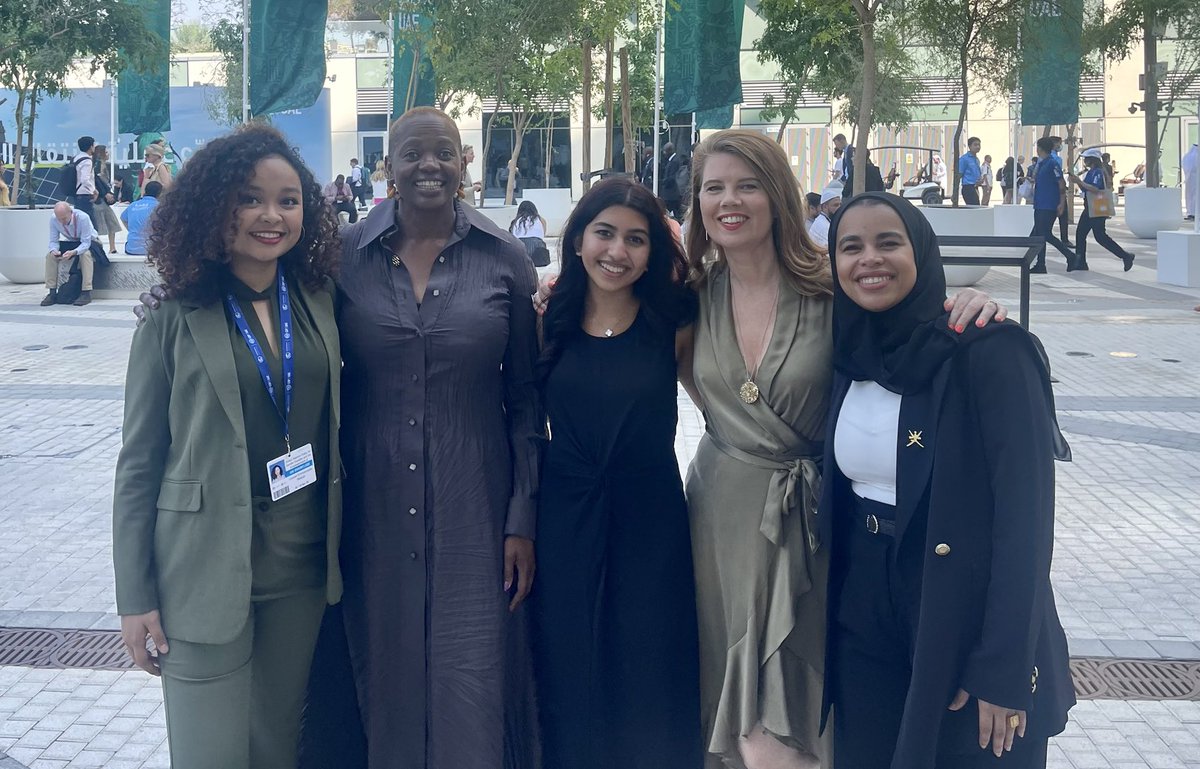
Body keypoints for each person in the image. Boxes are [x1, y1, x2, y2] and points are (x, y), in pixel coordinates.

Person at [680, 130, 1005, 769]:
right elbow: (606, 317)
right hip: (718, 521)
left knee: (801, 721)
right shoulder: (688, 295)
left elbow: (910, 329)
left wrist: (967, 304)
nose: (729, 201)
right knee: (730, 717)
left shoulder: (833, 291)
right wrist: (548, 291)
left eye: (747, 185)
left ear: (776, 194)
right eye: (713, 188)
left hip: (818, 526)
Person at [300, 106, 541, 769]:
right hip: (371, 504)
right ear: (389, 166)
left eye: (444, 152)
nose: (428, 165)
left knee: (474, 673)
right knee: (380, 667)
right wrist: (174, 294)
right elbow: (273, 304)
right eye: (412, 153)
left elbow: (524, 399)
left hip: (477, 503)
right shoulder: (343, 256)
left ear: (465, 162)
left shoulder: (505, 260)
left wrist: (520, 518)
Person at [113, 123, 343, 769]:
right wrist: (135, 596)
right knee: (209, 751)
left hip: (299, 565)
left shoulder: (322, 298)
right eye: (250, 197)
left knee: (274, 744)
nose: (271, 215)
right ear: (215, 206)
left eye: (289, 199)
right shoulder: (170, 316)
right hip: (200, 570)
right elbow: (137, 466)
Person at [821, 191, 1074, 769]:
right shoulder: (849, 351)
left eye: (889, 243)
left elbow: (1026, 523)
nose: (869, 260)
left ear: (923, 251)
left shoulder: (987, 350)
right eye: (850, 247)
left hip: (959, 605)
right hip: (862, 606)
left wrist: (1003, 670)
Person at [532, 177, 703, 769]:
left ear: (654, 251)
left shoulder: (673, 322)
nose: (617, 251)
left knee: (649, 664)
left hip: (651, 517)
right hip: (564, 516)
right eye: (604, 233)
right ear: (578, 238)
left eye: (636, 239)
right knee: (569, 663)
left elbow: (727, 404)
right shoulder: (547, 317)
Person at [1068, 149, 1135, 272]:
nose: (1085, 161)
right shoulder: (1091, 172)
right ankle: (1081, 261)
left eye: (1087, 159)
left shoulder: (1098, 172)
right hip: (1090, 207)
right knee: (1080, 233)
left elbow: (1095, 189)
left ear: (1092, 160)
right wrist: (1078, 182)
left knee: (1100, 236)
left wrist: (1079, 182)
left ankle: (1125, 256)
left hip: (1096, 208)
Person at [1027, 137, 1076, 273]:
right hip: (1040, 203)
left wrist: (1061, 202)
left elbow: (1061, 183)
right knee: (1039, 235)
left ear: (1040, 148)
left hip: (1048, 204)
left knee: (1044, 234)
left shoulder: (1052, 163)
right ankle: (1041, 264)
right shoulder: (1042, 164)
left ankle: (1069, 255)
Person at [41, 201, 97, 307]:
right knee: (50, 256)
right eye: (59, 219)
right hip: (71, 241)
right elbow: (53, 240)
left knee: (85, 255)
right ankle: (52, 292)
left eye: (64, 219)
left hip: (91, 241)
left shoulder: (83, 217)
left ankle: (86, 291)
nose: (61, 222)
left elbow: (86, 242)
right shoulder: (54, 219)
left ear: (71, 213)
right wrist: (54, 250)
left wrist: (74, 252)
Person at [91, 145, 123, 253]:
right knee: (103, 223)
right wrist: (105, 193)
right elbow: (97, 182)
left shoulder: (103, 165)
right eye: (106, 152)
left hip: (103, 198)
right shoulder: (97, 165)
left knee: (110, 222)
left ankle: (112, 247)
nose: (108, 154)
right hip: (99, 199)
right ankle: (106, 247)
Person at [121, 181, 163, 256]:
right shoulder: (159, 207)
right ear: (160, 193)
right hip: (153, 249)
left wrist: (133, 230)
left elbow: (123, 218)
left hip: (131, 248)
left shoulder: (133, 205)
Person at [70, 135, 98, 223]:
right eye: (93, 145)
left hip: (76, 194)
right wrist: (94, 190)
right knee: (90, 224)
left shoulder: (75, 158)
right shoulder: (87, 161)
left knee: (79, 222)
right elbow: (85, 179)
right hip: (85, 196)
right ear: (90, 147)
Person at [660, 142, 684, 218]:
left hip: (671, 194)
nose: (664, 153)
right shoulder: (672, 160)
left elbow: (672, 177)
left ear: (669, 151)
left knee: (674, 213)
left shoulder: (674, 161)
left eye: (664, 151)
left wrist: (662, 182)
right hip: (671, 194)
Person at [957, 137, 982, 206]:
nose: (978, 147)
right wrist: (955, 192)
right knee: (973, 208)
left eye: (979, 145)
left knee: (977, 207)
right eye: (975, 145)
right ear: (969, 146)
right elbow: (959, 174)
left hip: (975, 187)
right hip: (968, 187)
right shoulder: (964, 159)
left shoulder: (976, 159)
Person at [1183, 142, 1198, 221]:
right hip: (1194, 179)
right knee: (1194, 195)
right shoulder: (1195, 156)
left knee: (1191, 195)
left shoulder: (1187, 156)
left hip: (1190, 180)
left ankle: (1191, 212)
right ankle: (1193, 212)